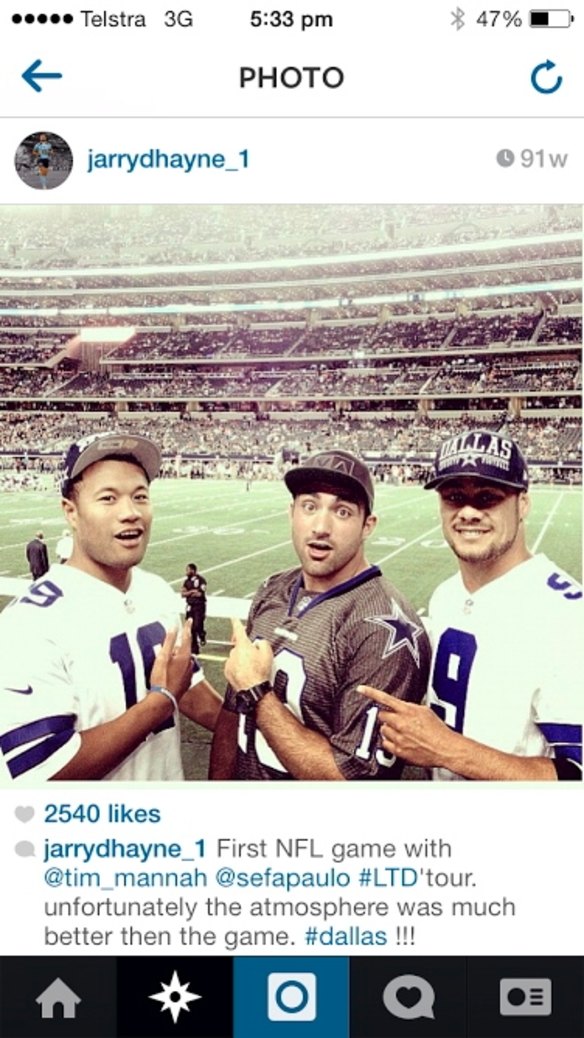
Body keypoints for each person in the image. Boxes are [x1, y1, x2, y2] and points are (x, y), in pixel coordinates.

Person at [360, 428, 582, 781]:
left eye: (488, 497)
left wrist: (447, 749)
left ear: (523, 503)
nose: (467, 512)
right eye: (453, 496)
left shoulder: (566, 618)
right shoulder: (447, 594)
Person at [0, 432, 222, 782]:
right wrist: (160, 703)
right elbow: (43, 771)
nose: (130, 513)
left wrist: (260, 723)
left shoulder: (155, 591)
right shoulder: (27, 625)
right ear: (70, 512)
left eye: (140, 497)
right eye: (108, 498)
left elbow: (187, 685)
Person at [210, 449, 431, 780]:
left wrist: (258, 693)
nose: (321, 527)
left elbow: (352, 779)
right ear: (292, 513)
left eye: (342, 512)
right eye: (309, 507)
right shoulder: (272, 588)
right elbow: (232, 716)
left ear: (367, 525)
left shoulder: (384, 630)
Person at [181, 563, 208, 654]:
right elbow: (182, 594)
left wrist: (189, 592)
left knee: (197, 625)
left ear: (193, 570)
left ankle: (202, 633)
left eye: (188, 570)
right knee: (191, 628)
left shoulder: (201, 580)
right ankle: (194, 648)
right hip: (190, 606)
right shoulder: (186, 581)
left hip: (199, 606)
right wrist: (192, 591)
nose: (186, 572)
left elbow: (200, 594)